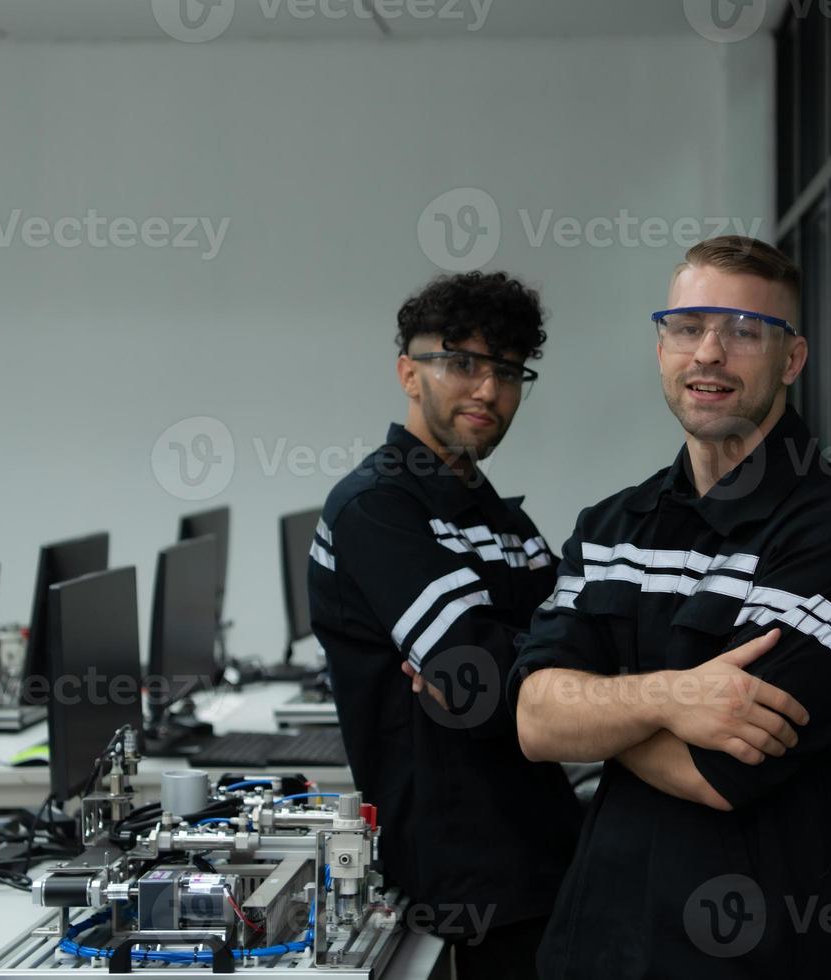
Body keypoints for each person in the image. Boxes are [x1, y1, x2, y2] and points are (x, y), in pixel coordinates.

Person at [510, 236, 831, 978]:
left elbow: (716, 771)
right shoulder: (612, 527)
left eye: (743, 331)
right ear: (662, 346)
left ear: (791, 359)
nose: (709, 354)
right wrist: (674, 695)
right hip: (595, 947)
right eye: (688, 327)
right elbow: (535, 721)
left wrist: (597, 708)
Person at [308, 271, 581, 978]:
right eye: (461, 363)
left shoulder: (498, 517)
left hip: (541, 858)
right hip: (469, 885)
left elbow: (581, 647)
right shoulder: (377, 508)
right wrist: (522, 660)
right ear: (408, 372)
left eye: (507, 370)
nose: (487, 389)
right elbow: (486, 686)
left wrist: (528, 658)